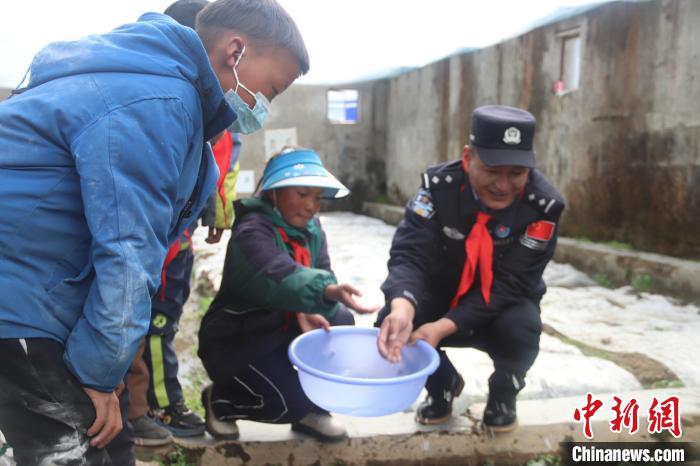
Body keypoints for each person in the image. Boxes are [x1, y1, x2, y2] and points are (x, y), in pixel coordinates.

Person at [0, 0, 309, 462]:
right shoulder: (157, 104)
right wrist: (97, 375)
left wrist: (105, 371)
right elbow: (129, 252)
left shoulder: (170, 99)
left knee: (111, 442)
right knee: (71, 449)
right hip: (20, 295)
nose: (264, 106)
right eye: (272, 89)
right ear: (236, 51)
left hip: (47, 289)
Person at [376, 105, 565, 432]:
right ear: (468, 157)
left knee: (522, 328)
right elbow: (410, 254)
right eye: (492, 170)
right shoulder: (437, 190)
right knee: (390, 322)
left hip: (502, 305)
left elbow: (512, 283)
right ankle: (442, 384)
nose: (503, 185)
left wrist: (443, 327)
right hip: (443, 294)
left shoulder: (542, 207)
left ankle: (504, 392)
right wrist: (403, 306)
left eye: (516, 173)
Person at [198, 148, 377, 441]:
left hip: (282, 326)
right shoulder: (251, 231)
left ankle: (315, 411)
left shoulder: (312, 229)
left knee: (339, 319)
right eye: (302, 194)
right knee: (287, 404)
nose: (310, 206)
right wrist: (325, 290)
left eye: (317, 198)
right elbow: (276, 273)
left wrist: (313, 305)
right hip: (242, 338)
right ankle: (222, 401)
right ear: (273, 193)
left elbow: (321, 269)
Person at [125, 0, 244, 443]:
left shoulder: (218, 112)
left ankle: (151, 402)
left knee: (164, 320)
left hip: (179, 242)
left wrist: (218, 211)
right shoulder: (163, 107)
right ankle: (158, 404)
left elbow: (220, 164)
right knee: (152, 325)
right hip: (154, 247)